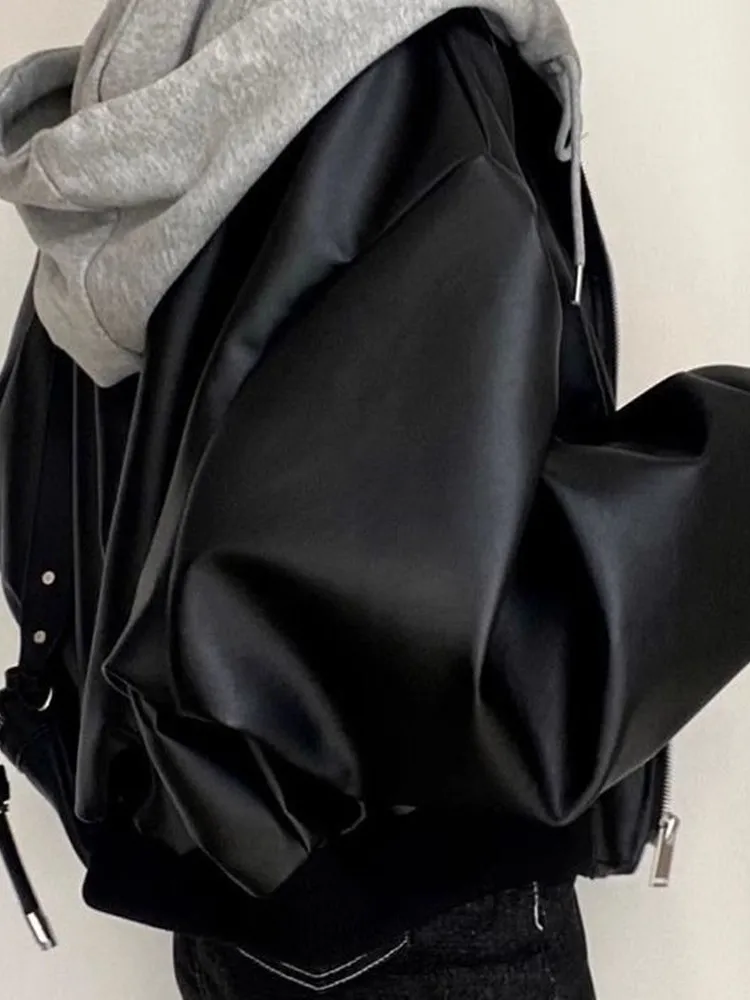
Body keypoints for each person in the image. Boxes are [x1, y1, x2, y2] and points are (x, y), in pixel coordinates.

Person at [2, 4, 750, 999]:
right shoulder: (413, 76)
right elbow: (405, 570)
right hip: (406, 907)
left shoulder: (148, 90)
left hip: (219, 885)